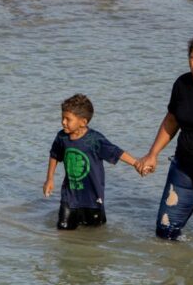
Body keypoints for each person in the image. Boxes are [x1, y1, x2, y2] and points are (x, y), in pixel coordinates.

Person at [140, 35, 193, 241]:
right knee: (165, 231)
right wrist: (153, 154)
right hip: (182, 168)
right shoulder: (182, 84)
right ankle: (179, 270)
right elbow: (171, 121)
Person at [43, 94, 143, 230]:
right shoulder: (62, 137)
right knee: (63, 230)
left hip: (93, 198)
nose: (63, 122)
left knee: (94, 234)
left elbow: (116, 152)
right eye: (62, 118)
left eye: (68, 119)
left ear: (83, 122)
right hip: (69, 196)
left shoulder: (94, 140)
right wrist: (49, 179)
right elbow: (54, 155)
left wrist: (136, 164)